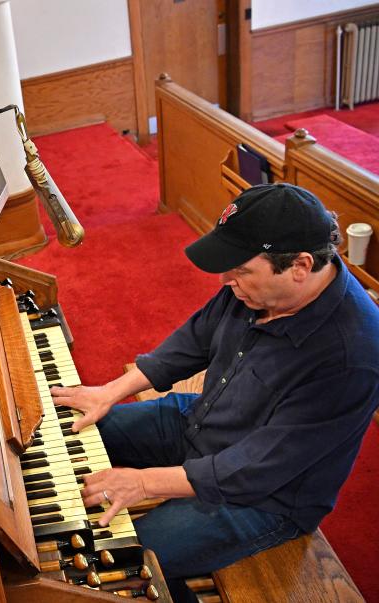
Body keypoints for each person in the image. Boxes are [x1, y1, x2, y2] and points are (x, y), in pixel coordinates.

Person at [50, 183, 379, 602]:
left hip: (264, 497)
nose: (225, 280)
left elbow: (257, 467)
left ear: (300, 265)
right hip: (204, 421)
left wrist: (145, 483)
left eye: (240, 270)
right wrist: (109, 392)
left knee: (122, 562)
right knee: (66, 430)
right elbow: (196, 338)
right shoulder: (257, 287)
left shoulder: (352, 356)